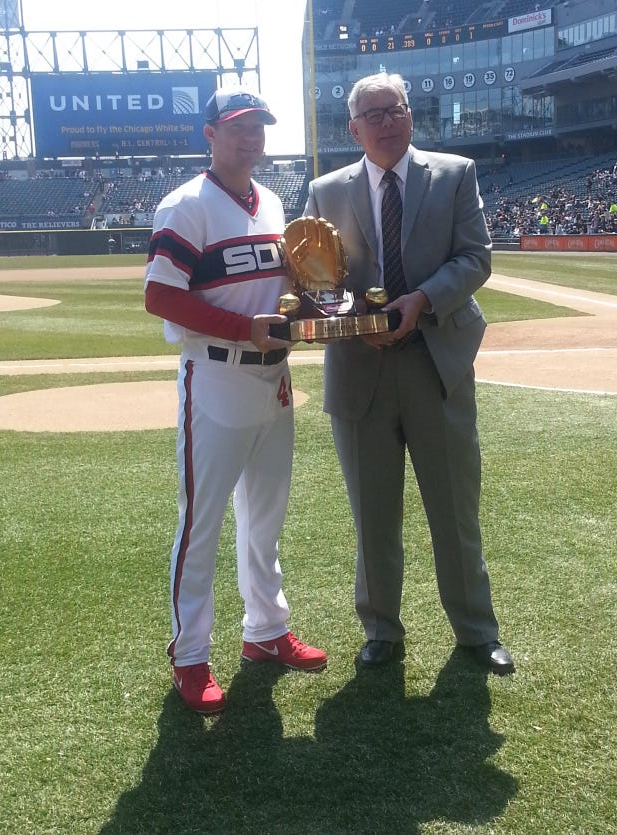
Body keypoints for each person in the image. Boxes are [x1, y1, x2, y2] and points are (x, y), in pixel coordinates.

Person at [304, 72, 514, 674]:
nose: (386, 122)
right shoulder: (325, 192)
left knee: (454, 508)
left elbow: (475, 257)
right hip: (360, 370)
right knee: (373, 514)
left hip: (434, 362)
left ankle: (476, 630)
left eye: (394, 110)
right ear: (354, 129)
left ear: (411, 116)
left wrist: (421, 299)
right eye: (372, 115)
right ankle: (381, 629)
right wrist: (352, 321)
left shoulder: (454, 174)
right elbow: (315, 279)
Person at [145, 87, 327, 714]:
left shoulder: (271, 201)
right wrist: (242, 329)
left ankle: (266, 631)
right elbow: (161, 297)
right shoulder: (186, 205)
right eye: (238, 127)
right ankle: (190, 654)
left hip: (273, 378)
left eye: (259, 128)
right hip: (216, 375)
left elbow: (282, 291)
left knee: (265, 517)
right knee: (202, 521)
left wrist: (318, 305)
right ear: (211, 134)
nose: (251, 139)